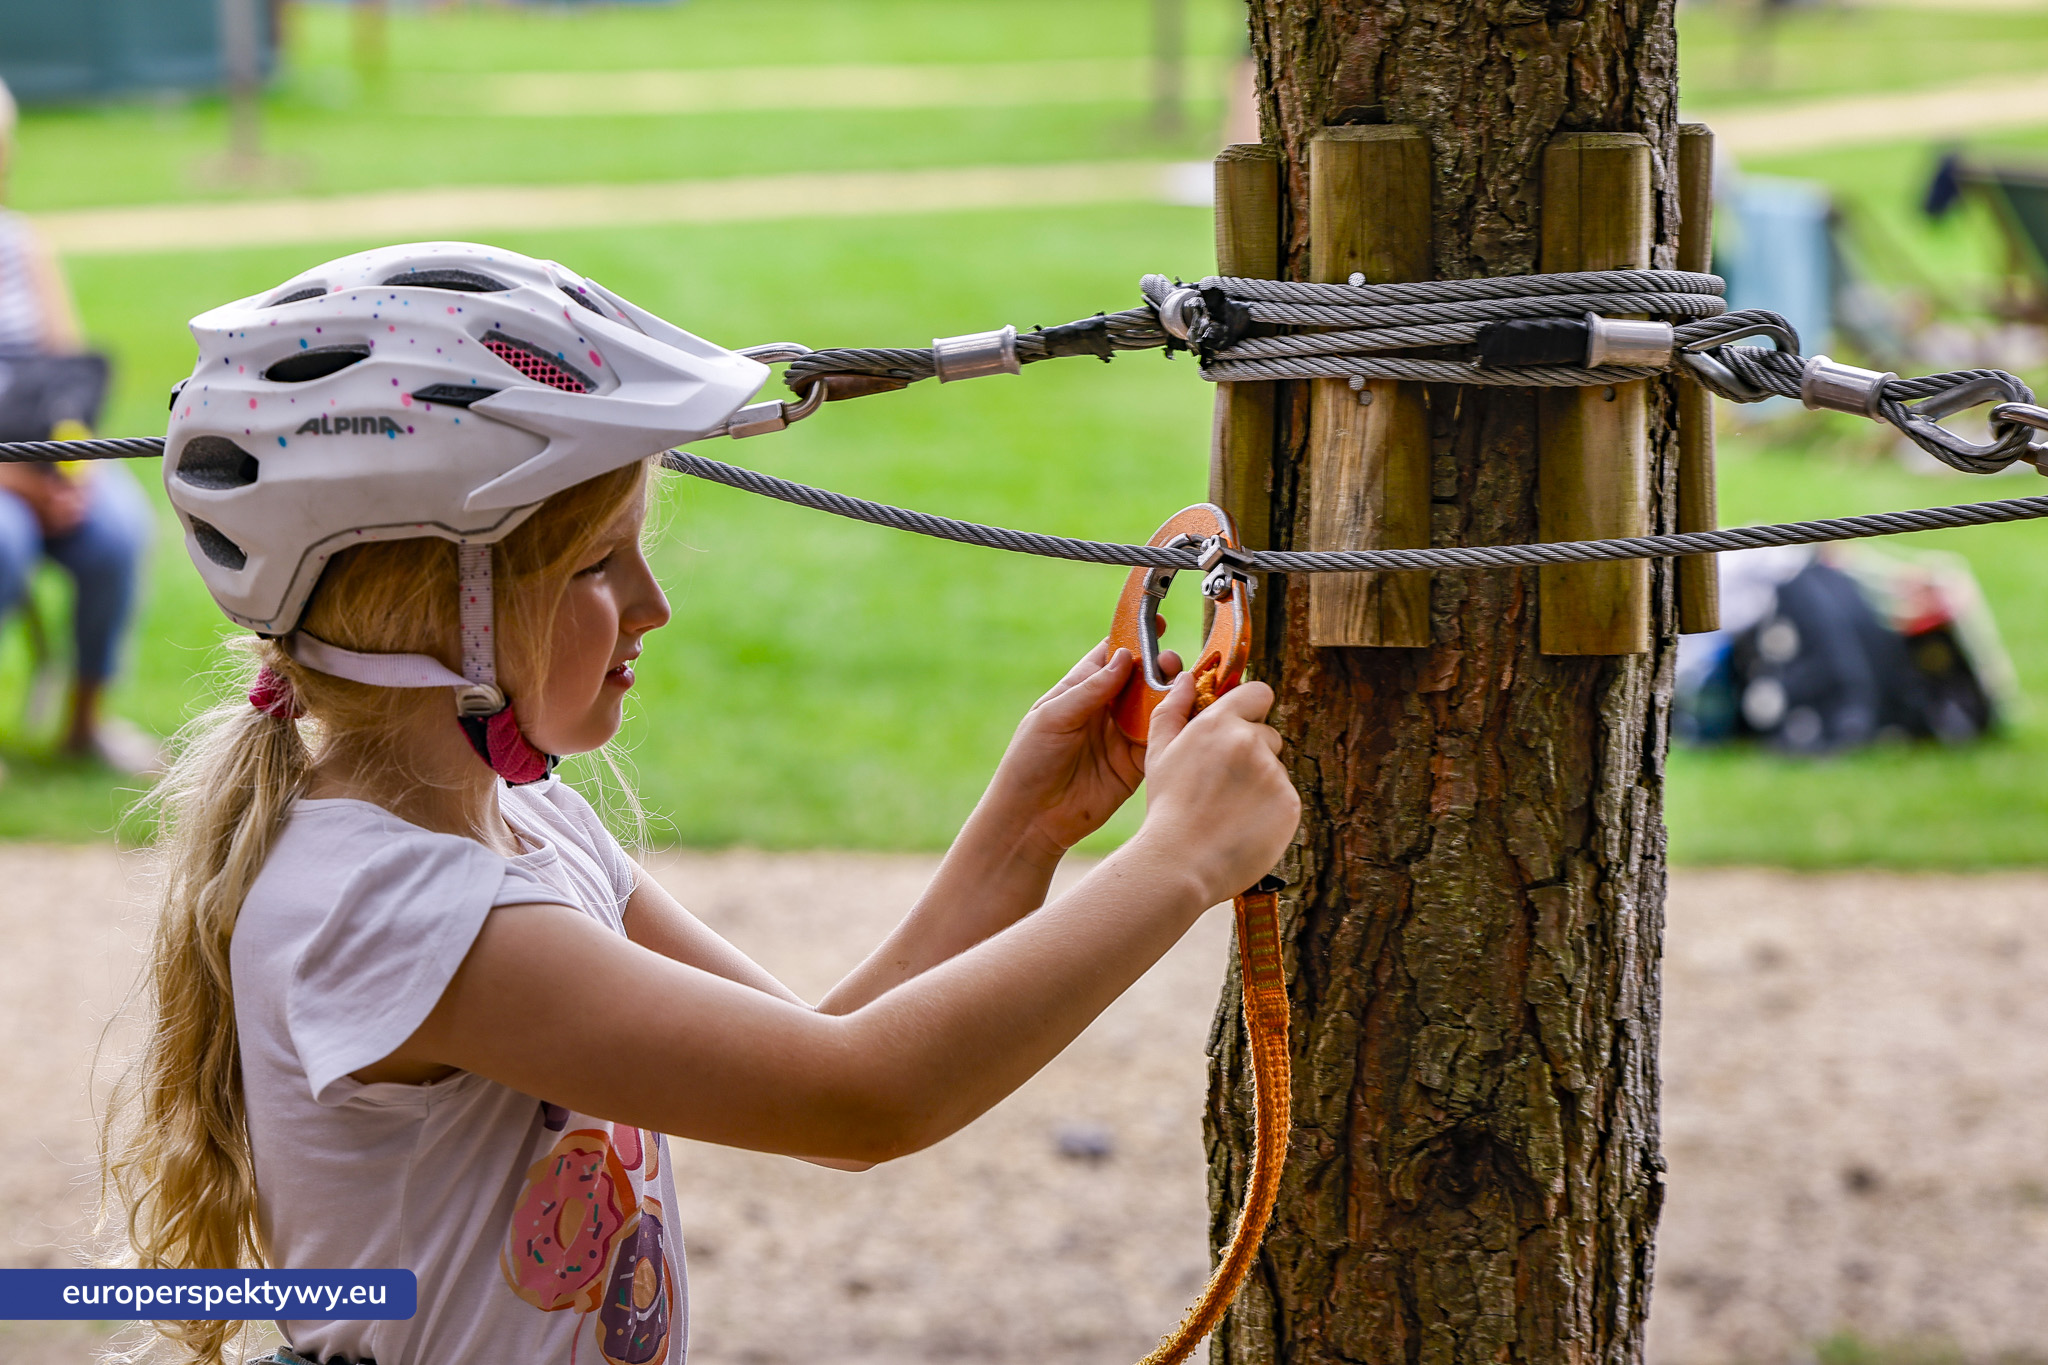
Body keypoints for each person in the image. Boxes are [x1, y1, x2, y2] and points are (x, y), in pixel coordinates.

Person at [101, 243, 1298, 1365]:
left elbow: (822, 1066)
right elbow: (865, 1094)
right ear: (432, 606)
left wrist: (1034, 824)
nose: (654, 603)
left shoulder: (520, 828)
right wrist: (1176, 865)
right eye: (597, 565)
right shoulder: (393, 908)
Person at [0, 76, 159, 779]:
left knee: (117, 533)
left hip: (42, 453)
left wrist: (73, 467)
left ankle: (85, 723)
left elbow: (67, 370)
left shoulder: (21, 244)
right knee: (3, 544)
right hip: (5, 474)